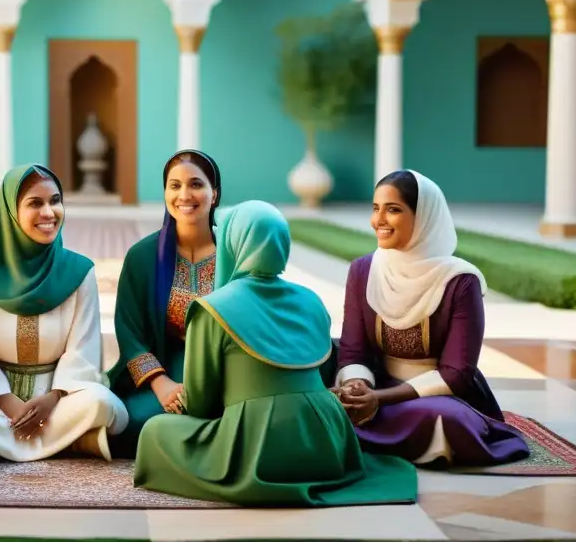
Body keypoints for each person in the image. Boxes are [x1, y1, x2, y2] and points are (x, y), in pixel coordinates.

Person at [134, 201, 417, 507]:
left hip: (260, 442)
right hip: (325, 442)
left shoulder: (212, 309)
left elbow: (201, 404)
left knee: (155, 431)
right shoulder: (312, 301)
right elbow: (318, 375)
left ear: (234, 243)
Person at [0, 164, 128, 462]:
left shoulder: (79, 271)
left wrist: (52, 399)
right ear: (10, 212)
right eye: (35, 203)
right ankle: (72, 443)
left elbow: (82, 351)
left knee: (103, 404)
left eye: (55, 201)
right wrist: (12, 406)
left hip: (58, 399)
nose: (49, 212)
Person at [335, 170, 529, 467]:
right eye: (376, 209)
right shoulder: (363, 271)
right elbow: (353, 349)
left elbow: (457, 373)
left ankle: (358, 434)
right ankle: (368, 425)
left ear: (424, 216)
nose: (379, 221)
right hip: (379, 384)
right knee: (322, 400)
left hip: (442, 396)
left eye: (394, 210)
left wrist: (380, 400)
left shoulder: (460, 282)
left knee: (448, 420)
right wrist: (357, 389)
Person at [106, 150, 220, 455]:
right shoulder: (143, 257)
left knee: (229, 417)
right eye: (175, 185)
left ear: (214, 193)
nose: (185, 194)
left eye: (196, 184)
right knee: (132, 422)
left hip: (223, 372)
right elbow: (129, 333)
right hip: (163, 367)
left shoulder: (233, 254)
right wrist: (162, 385)